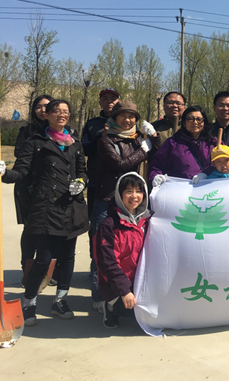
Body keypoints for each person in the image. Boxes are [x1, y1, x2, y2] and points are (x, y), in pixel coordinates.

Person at [0, 100, 89, 327]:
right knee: (43, 259)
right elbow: (22, 171)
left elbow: (82, 172)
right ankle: (29, 302)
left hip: (71, 207)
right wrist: (5, 173)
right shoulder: (36, 142)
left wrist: (81, 183)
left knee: (67, 258)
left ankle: (60, 300)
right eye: (56, 111)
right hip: (46, 208)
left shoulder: (75, 144)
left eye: (65, 112)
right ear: (47, 115)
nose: (61, 115)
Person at [92, 100, 159, 310]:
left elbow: (157, 155)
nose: (127, 120)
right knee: (103, 249)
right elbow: (119, 165)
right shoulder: (106, 140)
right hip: (107, 198)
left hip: (131, 200)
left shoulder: (137, 139)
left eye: (131, 117)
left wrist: (154, 138)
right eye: (123, 116)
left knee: (131, 250)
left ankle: (128, 293)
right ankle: (101, 297)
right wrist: (143, 150)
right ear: (114, 118)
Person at [95, 172, 151, 329]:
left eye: (138, 191)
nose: (134, 196)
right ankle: (111, 306)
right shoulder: (109, 225)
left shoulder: (149, 221)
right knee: (133, 313)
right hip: (118, 284)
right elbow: (107, 263)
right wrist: (124, 291)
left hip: (142, 280)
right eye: (129, 191)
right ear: (120, 195)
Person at [13, 94, 53, 280]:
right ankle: (28, 270)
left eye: (47, 106)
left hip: (52, 186)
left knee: (51, 231)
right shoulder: (26, 131)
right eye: (39, 107)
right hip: (28, 186)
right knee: (30, 230)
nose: (43, 110)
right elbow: (19, 152)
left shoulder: (61, 132)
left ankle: (48, 272)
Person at [148, 106, 218, 188]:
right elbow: (156, 165)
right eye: (190, 119)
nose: (195, 122)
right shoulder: (173, 143)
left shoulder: (214, 143)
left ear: (204, 122)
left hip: (210, 189)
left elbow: (226, 164)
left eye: (199, 119)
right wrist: (155, 176)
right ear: (184, 123)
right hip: (181, 190)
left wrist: (207, 173)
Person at [81, 88, 120, 232]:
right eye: (105, 99)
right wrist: (102, 135)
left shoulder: (127, 122)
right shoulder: (92, 124)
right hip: (97, 180)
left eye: (113, 99)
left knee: (119, 224)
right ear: (100, 103)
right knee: (97, 224)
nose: (109, 102)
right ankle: (95, 247)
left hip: (120, 181)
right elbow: (85, 149)